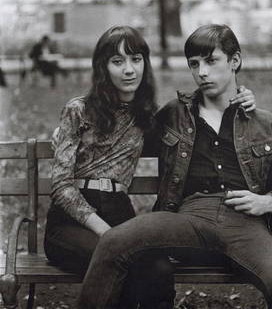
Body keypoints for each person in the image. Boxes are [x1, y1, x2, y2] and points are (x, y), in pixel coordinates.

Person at [78, 24, 272, 309]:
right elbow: (126, 133)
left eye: (211, 61)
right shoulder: (174, 114)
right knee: (114, 241)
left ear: (234, 61)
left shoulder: (268, 124)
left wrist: (268, 201)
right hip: (185, 219)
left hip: (246, 226)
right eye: (194, 64)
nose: (202, 72)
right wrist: (77, 128)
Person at [46, 25, 256, 309]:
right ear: (103, 67)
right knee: (117, 262)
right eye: (117, 61)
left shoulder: (146, 117)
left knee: (158, 270)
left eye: (136, 59)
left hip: (120, 211)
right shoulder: (79, 109)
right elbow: (60, 186)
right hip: (71, 222)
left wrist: (241, 96)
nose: (129, 69)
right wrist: (105, 233)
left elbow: (196, 121)